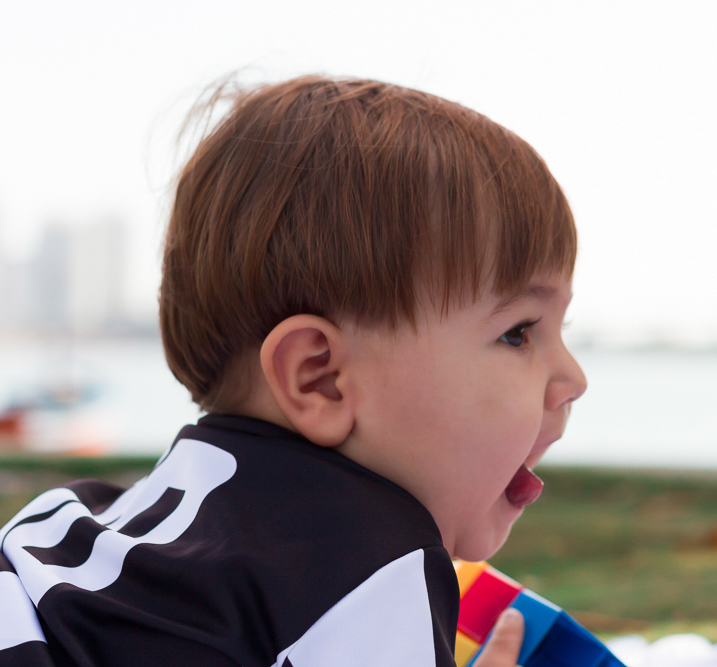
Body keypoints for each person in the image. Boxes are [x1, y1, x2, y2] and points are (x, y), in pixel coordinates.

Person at [0, 76, 587, 667]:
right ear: (319, 377)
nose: (572, 379)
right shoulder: (371, 572)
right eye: (518, 332)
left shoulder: (76, 517)